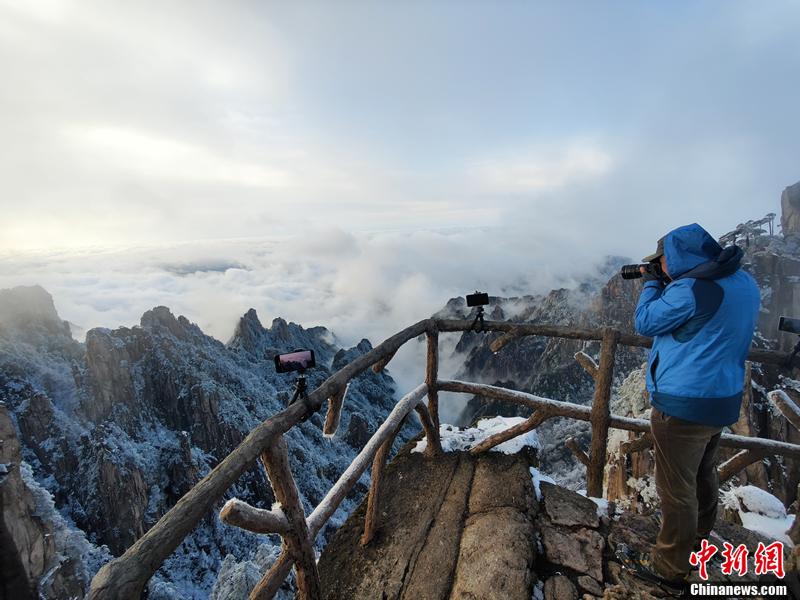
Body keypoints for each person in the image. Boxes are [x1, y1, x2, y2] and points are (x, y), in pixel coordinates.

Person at [631, 223, 760, 592]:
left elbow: (644, 321)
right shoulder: (744, 283)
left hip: (683, 404)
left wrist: (652, 283)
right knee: (703, 472)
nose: (661, 267)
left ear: (676, 257)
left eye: (662, 261)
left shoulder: (692, 290)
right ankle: (699, 540)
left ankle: (670, 567)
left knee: (676, 488)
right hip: (722, 398)